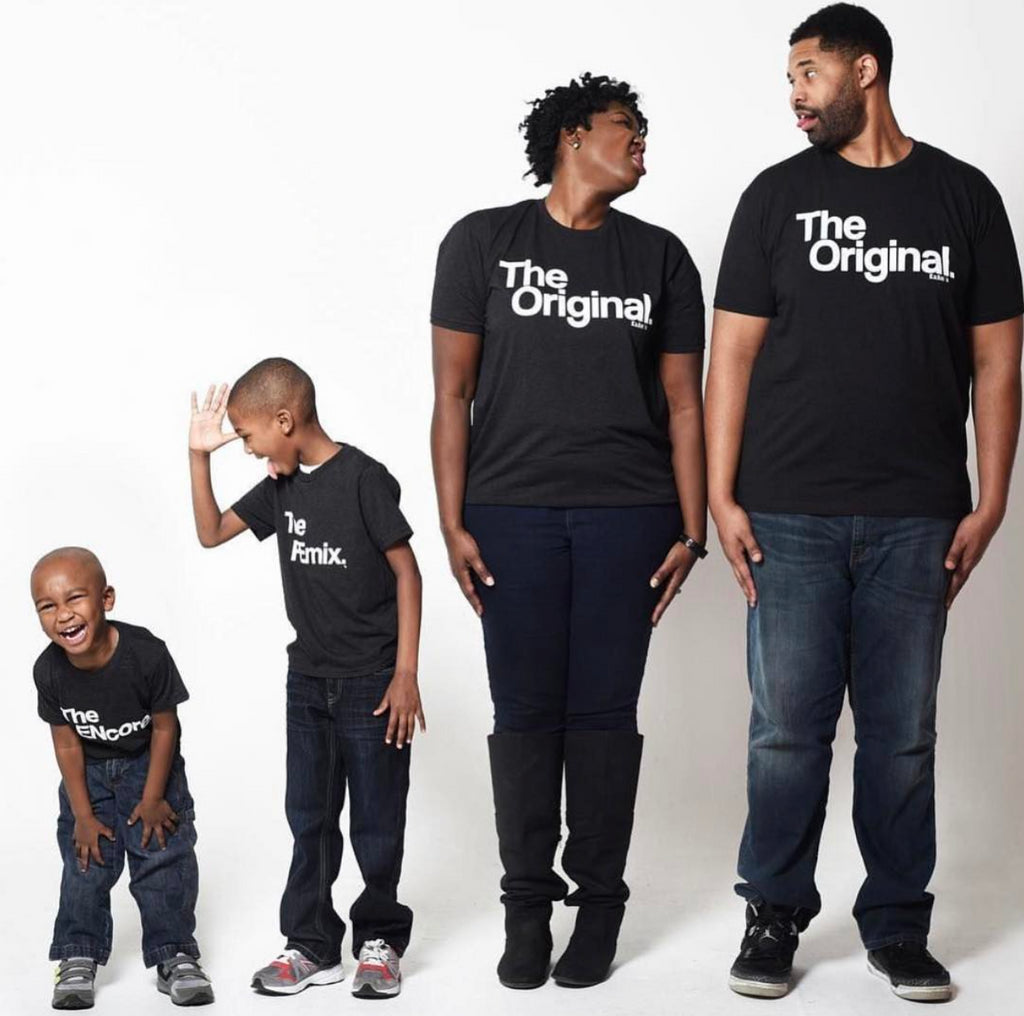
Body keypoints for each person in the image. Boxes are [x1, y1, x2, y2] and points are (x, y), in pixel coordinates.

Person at [706, 3, 1023, 1002]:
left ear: (864, 71)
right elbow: (734, 355)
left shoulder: (962, 198)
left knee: (901, 733)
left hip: (916, 514)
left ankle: (895, 923)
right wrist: (719, 493)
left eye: (807, 73)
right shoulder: (773, 199)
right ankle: (773, 914)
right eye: (788, 77)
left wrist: (992, 493)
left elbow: (997, 360)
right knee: (785, 729)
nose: (793, 94)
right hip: (787, 511)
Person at [430, 72, 707, 990]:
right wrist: (452, 521)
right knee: (524, 716)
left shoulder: (661, 258)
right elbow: (452, 396)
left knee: (602, 716)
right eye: (626, 128)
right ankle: (523, 911)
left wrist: (694, 525)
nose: (639, 145)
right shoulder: (482, 243)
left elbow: (683, 404)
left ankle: (598, 910)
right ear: (570, 137)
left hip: (631, 517)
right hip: (509, 514)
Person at [187, 358, 424, 1000]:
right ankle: (313, 944)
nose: (251, 450)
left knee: (377, 819)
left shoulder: (364, 480)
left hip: (373, 683)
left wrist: (405, 673)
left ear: (285, 420)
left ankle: (379, 939)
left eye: (250, 436)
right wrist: (198, 455)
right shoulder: (279, 486)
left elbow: (409, 573)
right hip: (308, 685)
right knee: (310, 818)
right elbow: (210, 533)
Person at [31, 547, 214, 1009]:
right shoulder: (48, 670)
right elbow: (67, 744)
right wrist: (82, 815)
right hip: (88, 776)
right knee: (84, 864)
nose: (63, 615)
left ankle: (174, 953)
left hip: (147, 765)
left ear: (106, 599)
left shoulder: (146, 654)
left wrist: (154, 797)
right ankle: (78, 955)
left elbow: (166, 727)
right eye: (47, 606)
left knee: (162, 859)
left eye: (75, 599)